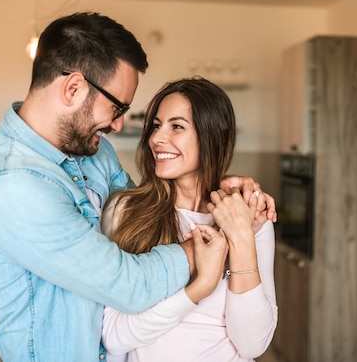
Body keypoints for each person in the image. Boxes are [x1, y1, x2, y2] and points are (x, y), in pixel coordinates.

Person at [0, 12, 276, 361]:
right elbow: (129, 283)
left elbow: (144, 210)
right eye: (116, 106)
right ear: (74, 88)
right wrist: (218, 240)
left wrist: (226, 190)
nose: (119, 124)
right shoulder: (11, 184)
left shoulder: (94, 151)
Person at [101, 77, 278, 361]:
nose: (156, 138)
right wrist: (198, 289)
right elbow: (113, 336)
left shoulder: (251, 217)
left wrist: (241, 237)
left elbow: (253, 344)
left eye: (177, 126)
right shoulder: (125, 213)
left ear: (212, 136)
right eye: (156, 125)